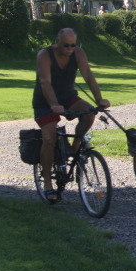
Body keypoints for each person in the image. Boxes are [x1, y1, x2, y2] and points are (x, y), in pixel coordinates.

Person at [32, 28, 110, 202]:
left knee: (89, 113)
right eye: (66, 45)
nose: (69, 49)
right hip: (45, 101)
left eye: (73, 45)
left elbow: (88, 76)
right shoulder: (44, 55)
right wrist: (54, 104)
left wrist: (99, 99)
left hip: (68, 97)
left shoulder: (78, 53)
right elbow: (45, 82)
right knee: (49, 139)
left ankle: (74, 148)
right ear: (57, 42)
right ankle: (47, 184)